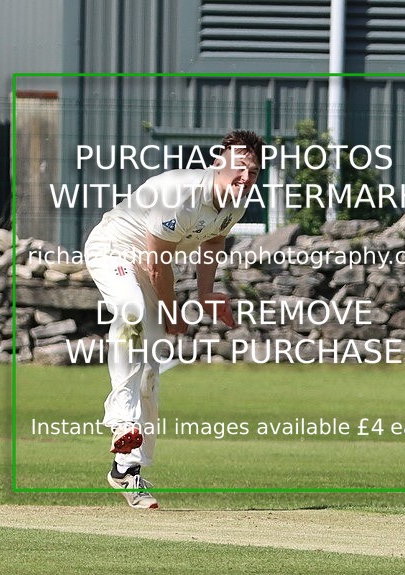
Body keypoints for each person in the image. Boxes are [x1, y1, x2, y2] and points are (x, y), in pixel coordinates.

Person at [84, 130, 264, 509]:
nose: (246, 177)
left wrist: (204, 294)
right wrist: (170, 309)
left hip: (148, 265)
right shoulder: (179, 193)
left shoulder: (237, 202)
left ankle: (126, 471)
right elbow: (157, 262)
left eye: (254, 171)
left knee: (151, 371)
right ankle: (121, 421)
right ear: (219, 163)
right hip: (114, 250)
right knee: (131, 309)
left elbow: (214, 241)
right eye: (239, 167)